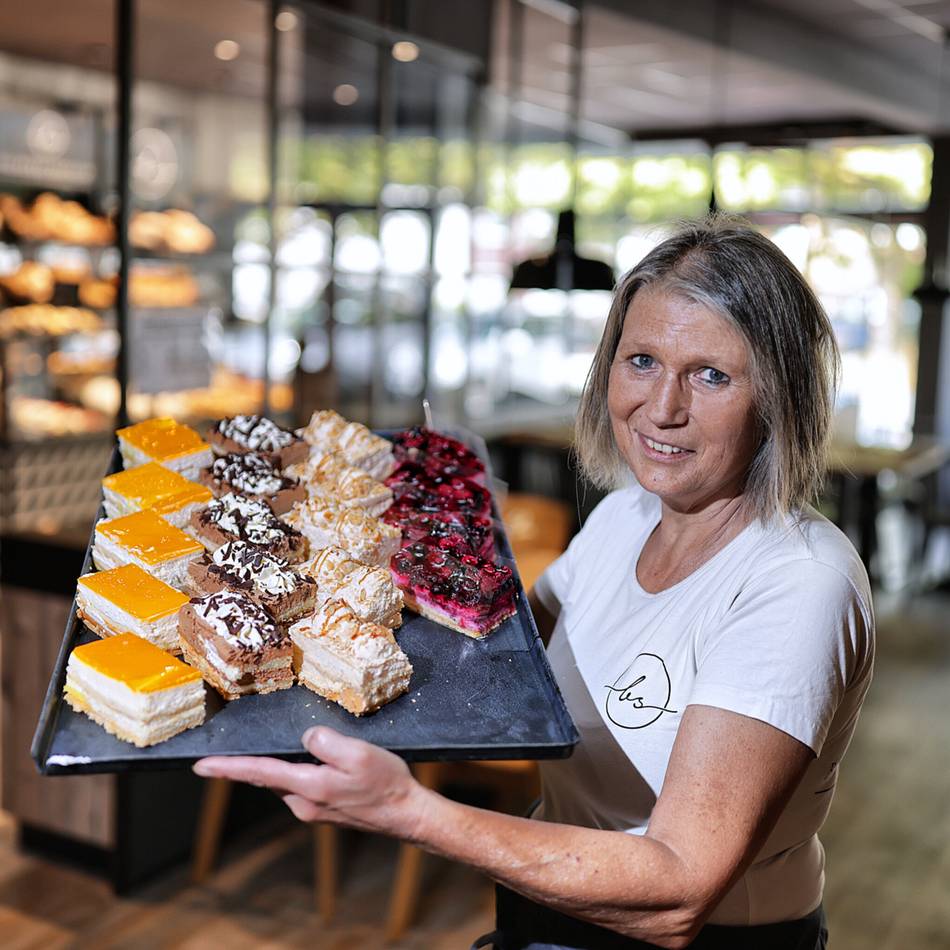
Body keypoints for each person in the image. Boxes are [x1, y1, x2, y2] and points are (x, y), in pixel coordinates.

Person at [194, 216, 874, 950]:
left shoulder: (799, 584)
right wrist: (344, 569)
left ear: (780, 397)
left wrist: (408, 811)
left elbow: (679, 886)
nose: (664, 406)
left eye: (712, 375)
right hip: (552, 906)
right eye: (641, 360)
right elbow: (495, 652)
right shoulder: (626, 516)